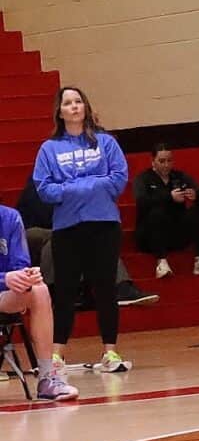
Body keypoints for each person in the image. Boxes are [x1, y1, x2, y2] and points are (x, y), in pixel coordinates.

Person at [32, 87, 130, 373]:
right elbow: (45, 189)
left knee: (104, 288)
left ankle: (110, 351)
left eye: (78, 102)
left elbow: (117, 180)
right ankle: (57, 353)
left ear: (85, 107)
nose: (74, 107)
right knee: (64, 290)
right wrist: (91, 184)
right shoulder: (49, 149)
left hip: (104, 224)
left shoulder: (106, 143)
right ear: (59, 112)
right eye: (67, 103)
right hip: (67, 227)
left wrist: (72, 187)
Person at [16, 176, 158, 307]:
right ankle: (57, 291)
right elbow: (45, 215)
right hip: (33, 232)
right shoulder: (39, 182)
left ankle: (122, 287)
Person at [0, 202, 79, 401]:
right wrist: (4, 278)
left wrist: (25, 275)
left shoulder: (9, 217)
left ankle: (47, 378)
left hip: (3, 295)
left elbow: (20, 264)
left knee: (39, 289)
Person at [133, 146, 199, 278]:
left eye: (169, 161)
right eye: (162, 161)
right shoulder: (143, 179)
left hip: (176, 231)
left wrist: (196, 195)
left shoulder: (180, 176)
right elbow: (142, 201)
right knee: (156, 213)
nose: (166, 165)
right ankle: (161, 262)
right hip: (150, 235)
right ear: (153, 161)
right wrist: (169, 197)